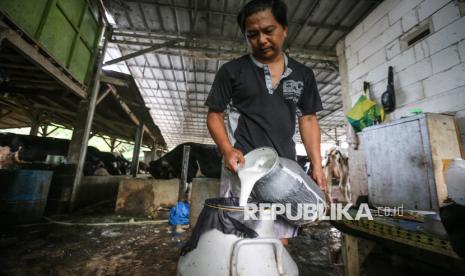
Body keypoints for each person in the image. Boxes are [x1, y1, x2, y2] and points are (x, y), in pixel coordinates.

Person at [205, 0, 327, 244]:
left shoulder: (303, 74)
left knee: (279, 240)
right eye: (253, 34)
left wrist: (317, 164)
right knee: (241, 238)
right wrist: (227, 149)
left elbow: (309, 118)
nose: (261, 40)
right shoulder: (232, 71)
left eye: (269, 31)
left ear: (284, 29)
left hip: (285, 172)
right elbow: (214, 115)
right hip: (243, 167)